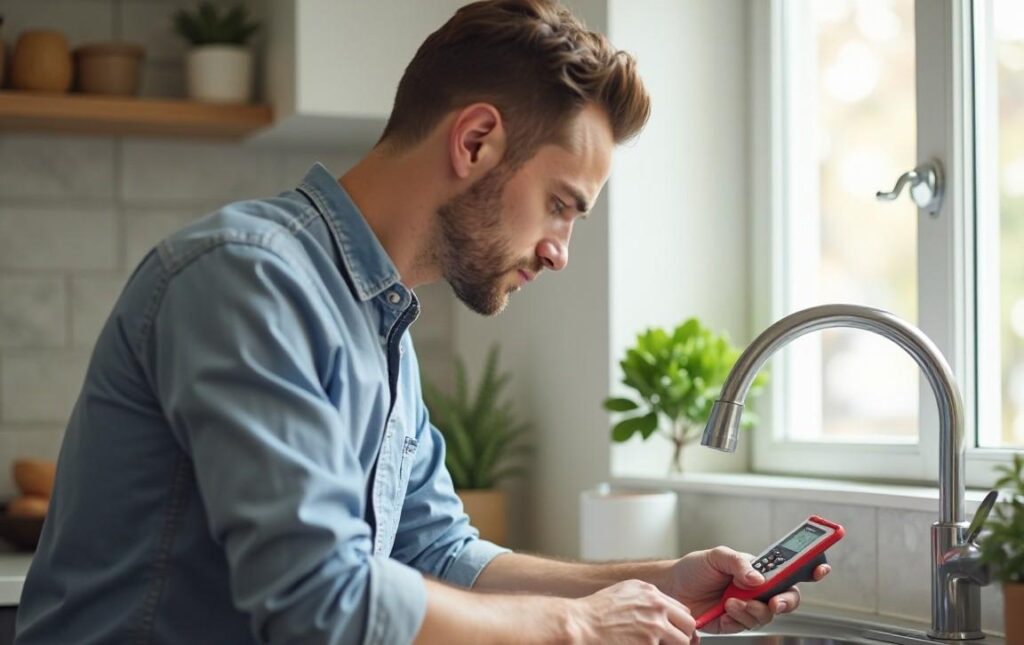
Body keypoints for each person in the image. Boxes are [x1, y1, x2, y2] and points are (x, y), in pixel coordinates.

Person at [16, 1, 828, 643]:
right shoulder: (249, 279)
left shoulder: (380, 327)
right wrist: (577, 625)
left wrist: (657, 581)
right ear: (475, 141)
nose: (560, 251)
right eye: (560, 204)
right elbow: (319, 600)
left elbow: (441, 553)